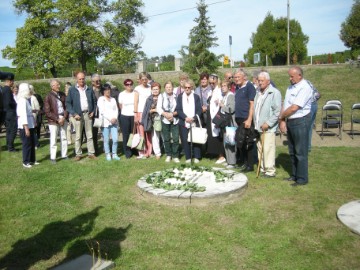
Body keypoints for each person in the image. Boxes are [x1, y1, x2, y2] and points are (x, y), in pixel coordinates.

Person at [279, 66, 313, 186]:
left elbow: (294, 107)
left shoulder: (305, 87)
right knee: (292, 151)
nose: (290, 78)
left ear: (299, 75)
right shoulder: (291, 87)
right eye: (289, 76)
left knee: (300, 151)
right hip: (291, 121)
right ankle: (294, 175)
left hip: (301, 121)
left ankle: (302, 178)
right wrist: (282, 119)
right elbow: (286, 103)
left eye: (292, 76)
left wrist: (281, 116)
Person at [253, 72, 282, 178]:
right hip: (258, 126)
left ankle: (270, 171)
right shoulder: (258, 92)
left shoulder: (274, 92)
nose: (260, 83)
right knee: (260, 148)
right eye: (258, 80)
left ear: (268, 81)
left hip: (268, 128)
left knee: (268, 149)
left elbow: (277, 111)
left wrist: (268, 123)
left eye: (262, 81)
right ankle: (262, 168)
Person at [66, 71, 97, 161]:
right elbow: (68, 104)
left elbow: (94, 102)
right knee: (78, 136)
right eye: (80, 79)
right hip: (78, 115)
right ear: (76, 79)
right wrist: (74, 114)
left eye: (83, 78)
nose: (82, 80)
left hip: (88, 114)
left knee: (89, 135)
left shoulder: (89, 89)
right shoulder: (72, 89)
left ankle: (91, 153)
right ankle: (78, 154)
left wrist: (93, 111)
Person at [234, 69, 257, 172]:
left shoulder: (249, 87)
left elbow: (252, 104)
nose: (236, 79)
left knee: (248, 142)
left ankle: (250, 165)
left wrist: (249, 119)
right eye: (235, 77)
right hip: (239, 119)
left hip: (246, 118)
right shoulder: (238, 87)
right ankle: (244, 162)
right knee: (241, 141)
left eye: (238, 77)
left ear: (244, 77)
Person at [176, 79, 202, 163]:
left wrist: (193, 118)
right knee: (184, 139)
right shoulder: (179, 97)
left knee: (195, 139)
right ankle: (188, 157)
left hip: (194, 121)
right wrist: (185, 118)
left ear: (191, 87)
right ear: (183, 88)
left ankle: (197, 156)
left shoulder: (196, 97)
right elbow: (179, 109)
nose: (187, 89)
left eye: (188, 87)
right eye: (185, 87)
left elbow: (199, 110)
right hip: (183, 121)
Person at [44, 79, 68, 164]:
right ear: (52, 86)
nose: (59, 86)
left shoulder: (62, 95)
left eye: (59, 84)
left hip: (63, 118)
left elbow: (66, 107)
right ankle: (53, 157)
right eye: (57, 85)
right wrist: (57, 119)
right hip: (53, 121)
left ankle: (64, 155)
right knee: (53, 139)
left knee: (64, 137)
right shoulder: (48, 96)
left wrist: (64, 117)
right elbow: (47, 112)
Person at [157, 81, 180, 163]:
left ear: (172, 88)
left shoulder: (177, 96)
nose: (168, 89)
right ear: (165, 88)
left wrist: (172, 115)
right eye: (167, 87)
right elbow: (159, 108)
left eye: (170, 87)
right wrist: (166, 115)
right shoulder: (161, 96)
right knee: (166, 139)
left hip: (175, 119)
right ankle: (168, 154)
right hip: (165, 119)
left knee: (176, 138)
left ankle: (175, 155)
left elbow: (179, 108)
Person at [17, 83, 38, 168]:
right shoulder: (22, 100)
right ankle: (26, 161)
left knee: (32, 142)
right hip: (25, 126)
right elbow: (23, 115)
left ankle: (32, 160)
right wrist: (26, 128)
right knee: (27, 143)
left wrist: (33, 122)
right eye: (28, 89)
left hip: (31, 124)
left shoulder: (26, 100)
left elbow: (29, 113)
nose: (30, 91)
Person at [98, 83, 120, 161]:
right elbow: (102, 111)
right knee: (106, 139)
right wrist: (110, 118)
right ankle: (108, 154)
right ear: (103, 91)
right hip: (106, 122)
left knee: (115, 139)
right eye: (106, 90)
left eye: (109, 89)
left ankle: (114, 153)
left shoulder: (113, 99)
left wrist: (115, 118)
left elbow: (116, 110)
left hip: (114, 122)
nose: (108, 91)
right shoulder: (101, 99)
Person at [207, 74, 226, 164]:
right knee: (214, 136)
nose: (211, 84)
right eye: (210, 82)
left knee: (218, 136)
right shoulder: (212, 91)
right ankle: (218, 154)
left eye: (213, 82)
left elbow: (221, 102)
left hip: (217, 116)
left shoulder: (219, 91)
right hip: (211, 116)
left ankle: (221, 156)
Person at [141, 82, 162, 159]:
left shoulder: (162, 97)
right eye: (153, 89)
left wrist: (155, 110)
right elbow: (145, 110)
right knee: (155, 136)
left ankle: (168, 152)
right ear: (151, 90)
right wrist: (143, 120)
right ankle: (157, 153)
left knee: (164, 136)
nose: (155, 91)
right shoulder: (149, 99)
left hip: (162, 118)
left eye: (157, 89)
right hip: (152, 120)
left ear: (159, 89)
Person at [134, 72, 152, 159]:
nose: (144, 81)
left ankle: (149, 152)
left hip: (148, 112)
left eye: (146, 79)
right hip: (140, 112)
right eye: (143, 79)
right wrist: (135, 114)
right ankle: (141, 152)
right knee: (141, 133)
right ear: (140, 80)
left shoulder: (150, 88)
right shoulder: (137, 88)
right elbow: (136, 102)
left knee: (148, 133)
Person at [219, 81, 237, 169]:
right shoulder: (225, 96)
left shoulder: (230, 96)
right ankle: (228, 160)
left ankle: (232, 162)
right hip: (225, 122)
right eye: (222, 86)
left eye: (225, 86)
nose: (223, 87)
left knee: (230, 142)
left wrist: (222, 106)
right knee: (226, 142)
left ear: (229, 87)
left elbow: (231, 109)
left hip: (230, 122)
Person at [118, 79, 135, 159]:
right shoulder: (121, 94)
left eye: (130, 84)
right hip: (125, 116)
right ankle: (127, 151)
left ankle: (134, 149)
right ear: (124, 86)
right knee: (126, 134)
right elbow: (120, 105)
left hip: (133, 115)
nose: (129, 86)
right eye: (127, 85)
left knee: (133, 134)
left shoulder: (135, 93)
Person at [2, 72, 18, 152]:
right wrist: (15, 104)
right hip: (11, 112)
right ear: (10, 81)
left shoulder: (3, 89)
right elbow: (8, 102)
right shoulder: (7, 89)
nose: (13, 83)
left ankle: (9, 145)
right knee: (13, 130)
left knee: (8, 130)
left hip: (6, 113)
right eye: (13, 81)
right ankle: (11, 147)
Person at [90, 74, 103, 155]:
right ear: (92, 82)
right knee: (93, 133)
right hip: (94, 115)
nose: (98, 82)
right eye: (96, 81)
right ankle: (94, 149)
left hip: (103, 114)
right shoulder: (89, 90)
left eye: (99, 80)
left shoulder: (103, 89)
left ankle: (107, 148)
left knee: (106, 133)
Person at [307, 80, 321, 152]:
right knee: (309, 127)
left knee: (306, 127)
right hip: (314, 105)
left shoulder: (302, 85)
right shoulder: (309, 82)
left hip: (309, 106)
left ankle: (306, 147)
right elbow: (318, 95)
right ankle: (308, 146)